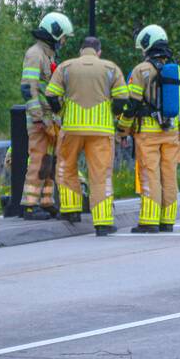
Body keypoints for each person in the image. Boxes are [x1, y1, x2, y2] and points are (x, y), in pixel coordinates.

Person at [45, 37, 128, 236]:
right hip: (101, 130)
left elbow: (50, 94)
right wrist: (114, 116)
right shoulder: (110, 68)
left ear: (81, 50)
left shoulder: (66, 67)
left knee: (66, 168)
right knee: (100, 175)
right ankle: (103, 223)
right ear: (98, 51)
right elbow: (122, 98)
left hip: (72, 128)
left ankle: (71, 211)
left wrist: (60, 112)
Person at [118, 25, 180, 233]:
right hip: (171, 132)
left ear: (147, 45)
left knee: (150, 174)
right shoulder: (178, 71)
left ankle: (149, 221)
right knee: (169, 176)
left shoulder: (140, 70)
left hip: (147, 133)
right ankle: (167, 221)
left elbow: (131, 105)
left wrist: (123, 130)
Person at [19, 12, 73, 220]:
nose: (64, 41)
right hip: (40, 119)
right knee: (39, 159)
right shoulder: (35, 54)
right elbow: (28, 88)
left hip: (50, 118)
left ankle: (47, 201)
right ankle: (30, 205)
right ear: (55, 33)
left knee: (50, 161)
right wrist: (39, 117)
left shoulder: (48, 54)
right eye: (63, 37)